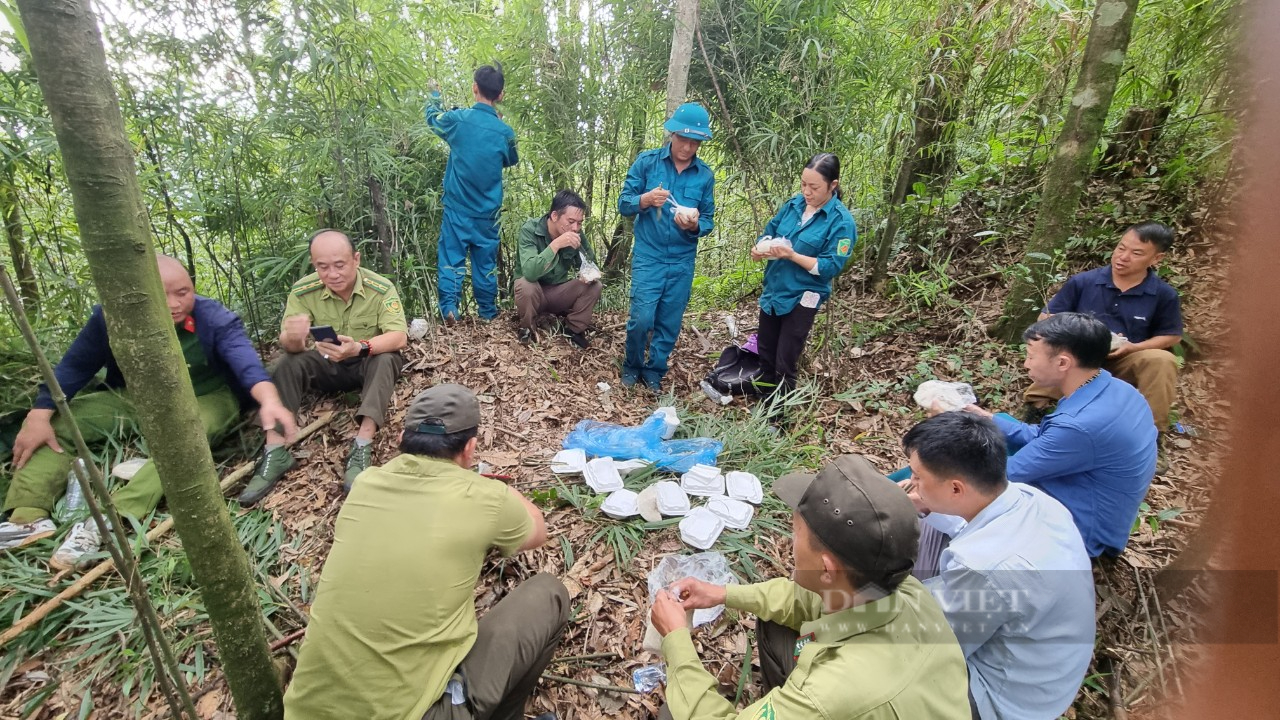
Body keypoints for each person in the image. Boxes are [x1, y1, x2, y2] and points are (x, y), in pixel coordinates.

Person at [283, 384, 565, 720]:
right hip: (412, 713)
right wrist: (492, 487)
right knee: (550, 594)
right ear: (470, 448)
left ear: (403, 437)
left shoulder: (365, 484)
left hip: (305, 711)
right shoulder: (484, 497)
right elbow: (538, 531)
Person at [0, 255, 297, 568]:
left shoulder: (214, 318)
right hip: (136, 396)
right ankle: (27, 518)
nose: (174, 303)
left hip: (207, 395)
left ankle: (107, 520)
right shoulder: (111, 317)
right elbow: (76, 364)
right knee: (61, 421)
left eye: (183, 292)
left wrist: (269, 400)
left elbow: (247, 364)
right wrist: (40, 412)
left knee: (188, 435)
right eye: (161, 293)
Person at [649, 454, 971, 720]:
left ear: (827, 568)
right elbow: (798, 599)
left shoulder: (830, 695)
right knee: (774, 622)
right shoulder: (904, 590)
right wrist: (723, 594)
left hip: (851, 698)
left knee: (673, 713)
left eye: (796, 535)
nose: (791, 543)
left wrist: (676, 641)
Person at [901, 412, 1095, 720]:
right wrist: (923, 504)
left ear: (955, 488)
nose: (911, 483)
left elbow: (928, 644)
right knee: (928, 525)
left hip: (1007, 698)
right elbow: (967, 526)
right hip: (1050, 663)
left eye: (917, 477)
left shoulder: (985, 569)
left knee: (883, 663)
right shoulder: (1033, 499)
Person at [966, 313, 1157, 557]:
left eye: (1031, 356)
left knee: (961, 459)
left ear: (1063, 363)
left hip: (1080, 532)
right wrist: (985, 417)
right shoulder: (1116, 390)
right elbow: (1047, 437)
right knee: (988, 431)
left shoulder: (1080, 425)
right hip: (1097, 503)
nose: (1026, 364)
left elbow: (1001, 476)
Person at [243, 230, 407, 501]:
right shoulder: (304, 291)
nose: (332, 274)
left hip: (364, 362)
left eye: (339, 265)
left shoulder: (380, 288)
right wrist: (293, 338)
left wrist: (359, 347)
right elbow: (290, 346)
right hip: (326, 364)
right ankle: (275, 450)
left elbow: (399, 336)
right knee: (287, 362)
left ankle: (362, 443)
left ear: (356, 259)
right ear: (313, 264)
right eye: (322, 266)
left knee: (387, 357)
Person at [1028, 221, 1182, 429]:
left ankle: (1151, 431)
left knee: (1162, 359)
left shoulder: (1163, 294)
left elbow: (1172, 335)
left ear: (1157, 258)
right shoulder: (1084, 282)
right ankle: (1036, 409)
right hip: (1079, 357)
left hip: (1125, 359)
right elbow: (1046, 317)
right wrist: (1078, 334)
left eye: (1136, 253)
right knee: (1057, 350)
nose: (1123, 257)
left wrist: (1134, 347)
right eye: (1121, 248)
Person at [618, 102, 716, 392]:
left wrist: (695, 225)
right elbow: (624, 203)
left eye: (694, 142)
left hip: (682, 259)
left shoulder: (704, 175)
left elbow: (709, 219)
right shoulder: (647, 163)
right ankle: (632, 364)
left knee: (669, 320)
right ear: (671, 134)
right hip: (649, 255)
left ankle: (654, 370)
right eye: (683, 139)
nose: (687, 147)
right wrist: (645, 200)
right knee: (642, 317)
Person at [750, 153, 856, 399]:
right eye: (803, 184)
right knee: (765, 349)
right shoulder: (793, 205)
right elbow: (770, 231)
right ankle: (762, 407)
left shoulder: (841, 222)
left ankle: (778, 418)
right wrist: (761, 249)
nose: (807, 192)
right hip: (775, 289)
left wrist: (792, 255)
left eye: (814, 187)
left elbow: (829, 267)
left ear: (833, 185)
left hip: (804, 295)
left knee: (785, 357)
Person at [425, 64, 519, 322]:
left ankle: (450, 310)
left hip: (457, 208)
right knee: (485, 264)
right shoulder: (505, 132)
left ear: (474, 88)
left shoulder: (458, 120)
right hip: (489, 213)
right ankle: (488, 315)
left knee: (451, 259)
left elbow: (433, 119)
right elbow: (511, 159)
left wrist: (434, 96)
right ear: (500, 95)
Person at [514, 189, 603, 348]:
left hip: (558, 293)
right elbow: (530, 272)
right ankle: (527, 329)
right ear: (554, 216)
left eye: (580, 222)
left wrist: (587, 273)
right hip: (535, 293)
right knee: (526, 285)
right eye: (570, 221)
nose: (575, 227)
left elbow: (591, 264)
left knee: (595, 285)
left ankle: (573, 330)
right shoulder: (530, 230)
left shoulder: (577, 233)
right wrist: (556, 245)